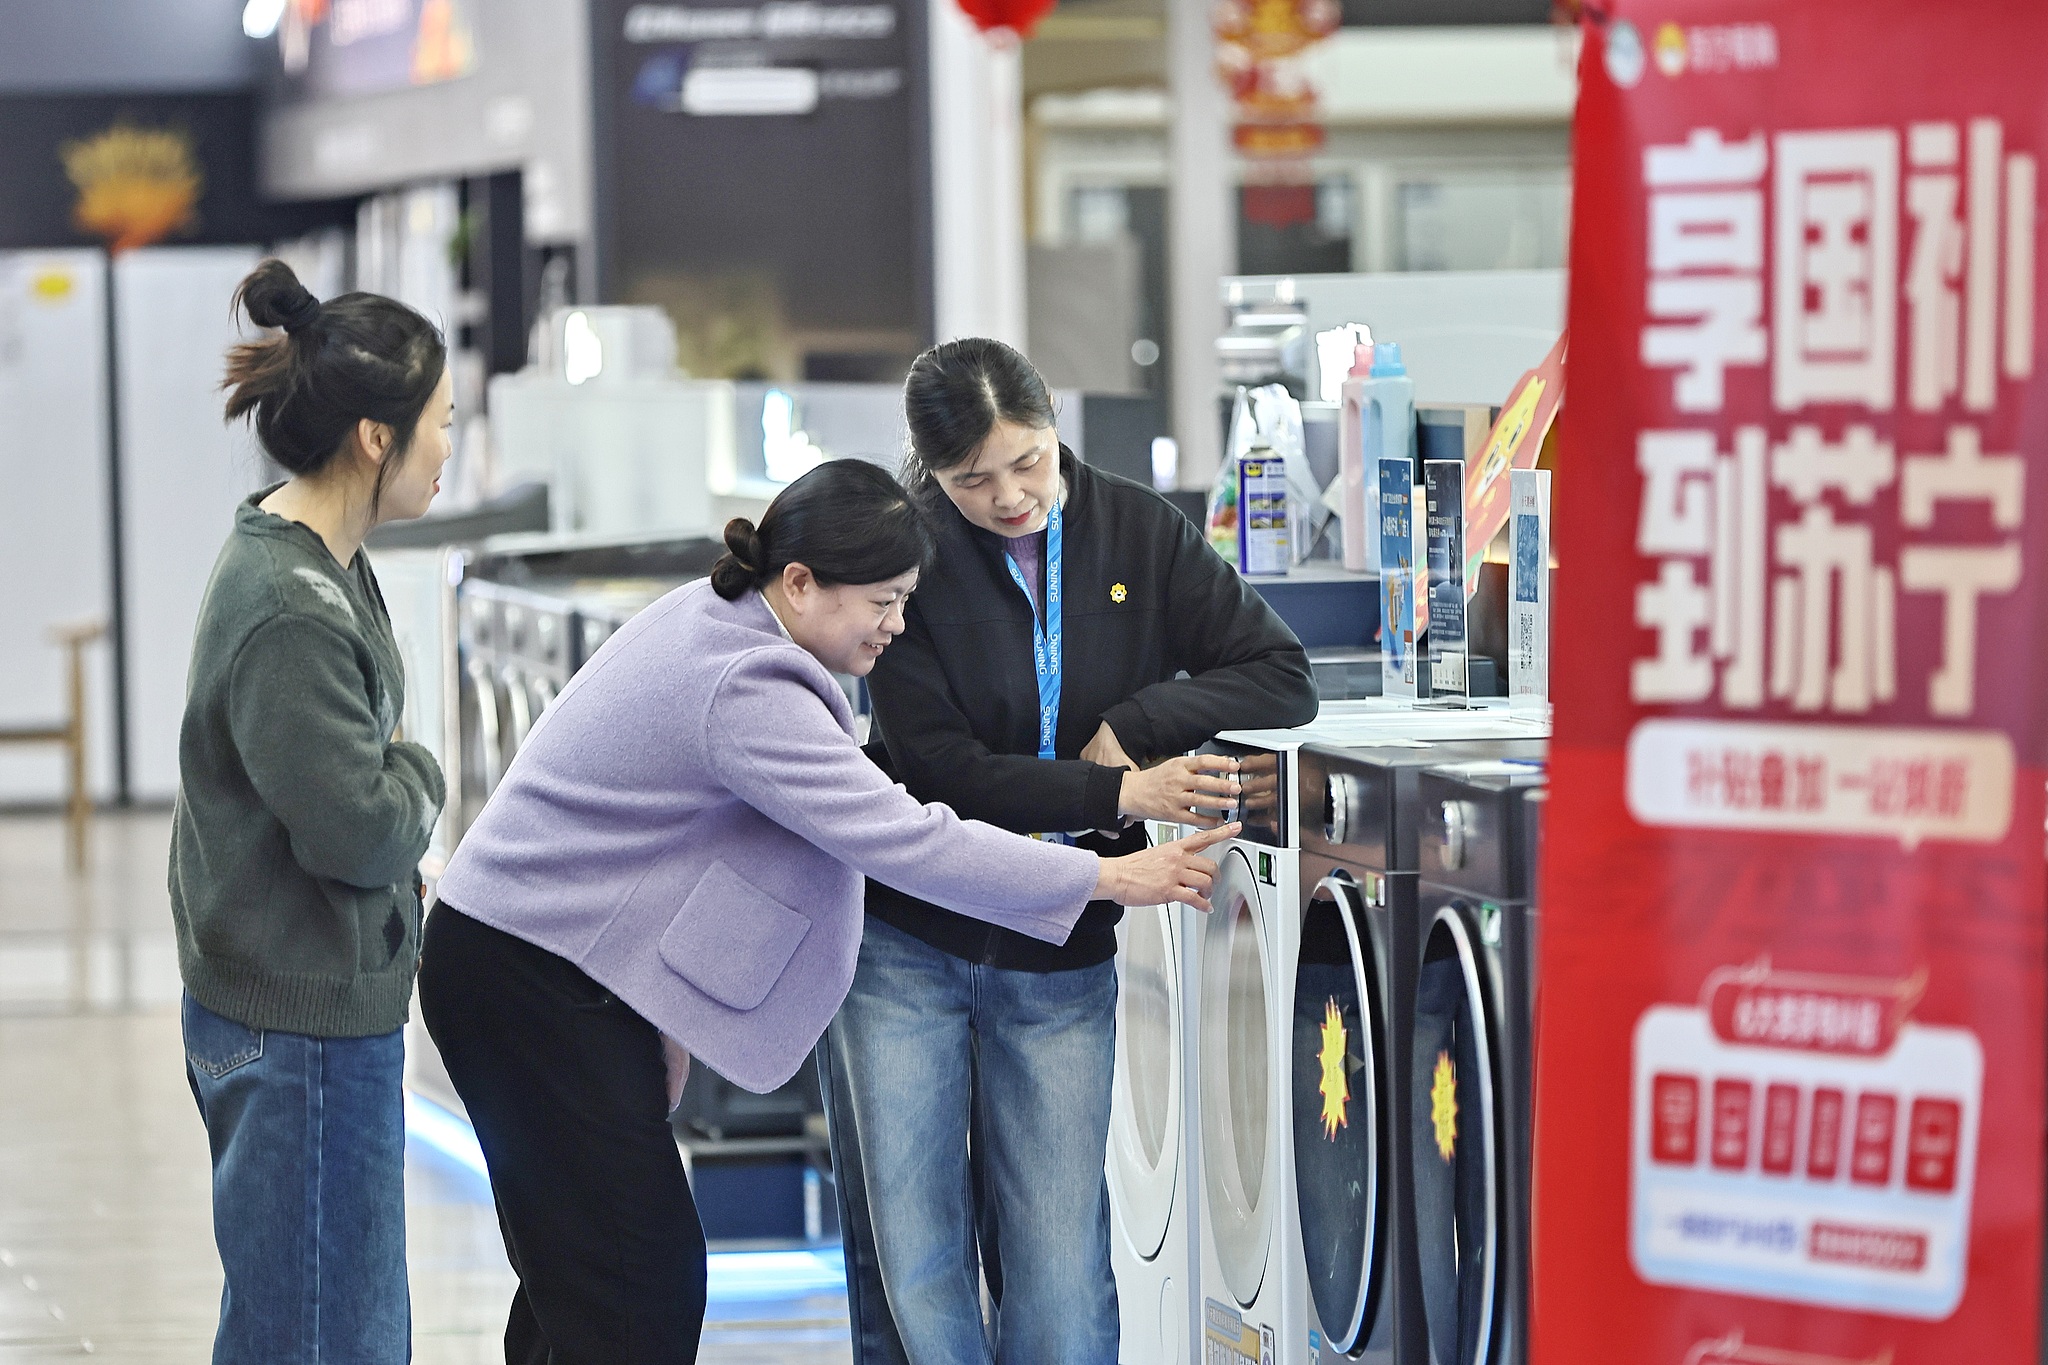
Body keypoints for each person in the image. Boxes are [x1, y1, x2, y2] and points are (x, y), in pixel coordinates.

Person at [418, 458, 1237, 1365]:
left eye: (906, 601)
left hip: (529, 964)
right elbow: (905, 838)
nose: (896, 625)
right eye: (882, 601)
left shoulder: (723, 623)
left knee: (586, 1281)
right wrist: (1106, 876)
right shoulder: (751, 686)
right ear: (800, 583)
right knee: (633, 1284)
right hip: (526, 977)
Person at [824, 338, 1319, 1365]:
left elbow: (1279, 673)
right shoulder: (902, 552)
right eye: (973, 481)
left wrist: (1143, 718)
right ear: (928, 472)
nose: (1011, 497)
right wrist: (1113, 792)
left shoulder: (1135, 530)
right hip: (907, 940)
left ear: (1055, 427)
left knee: (1057, 1258)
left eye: (1029, 461)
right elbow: (941, 770)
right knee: (915, 1254)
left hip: (1058, 946)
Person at [170, 258, 453, 1364]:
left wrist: (392, 777)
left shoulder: (326, 562)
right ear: (374, 437)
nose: (448, 449)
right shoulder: (290, 606)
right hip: (299, 1034)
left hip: (306, 1013)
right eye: (439, 422)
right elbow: (359, 827)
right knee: (326, 1333)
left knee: (317, 1318)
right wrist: (420, 778)